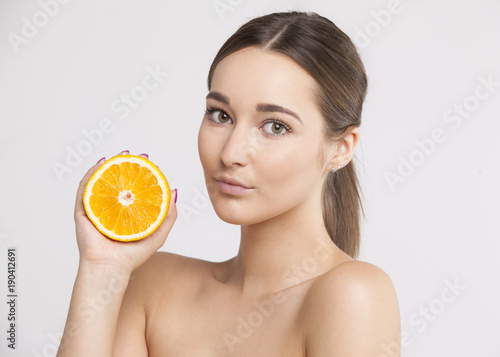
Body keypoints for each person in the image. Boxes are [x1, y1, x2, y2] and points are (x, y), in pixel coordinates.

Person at [57, 11, 400, 356]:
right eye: (221, 115)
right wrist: (102, 270)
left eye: (275, 126)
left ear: (341, 149)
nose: (231, 153)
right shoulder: (151, 284)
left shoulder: (353, 295)